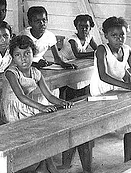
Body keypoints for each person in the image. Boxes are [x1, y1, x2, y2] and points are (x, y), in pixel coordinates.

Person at [90, 16, 131, 173]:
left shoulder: (127, 50)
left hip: (118, 90)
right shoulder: (101, 50)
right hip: (102, 93)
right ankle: (129, 162)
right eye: (114, 35)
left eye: (122, 35)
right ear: (106, 36)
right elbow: (103, 76)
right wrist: (128, 86)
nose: (119, 39)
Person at [0, 35, 72, 173]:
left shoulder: (36, 72)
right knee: (42, 129)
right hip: (14, 111)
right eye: (18, 55)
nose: (23, 58)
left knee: (49, 126)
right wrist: (42, 107)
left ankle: (44, 166)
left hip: (28, 108)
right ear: (13, 58)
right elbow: (20, 96)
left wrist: (63, 103)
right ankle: (48, 167)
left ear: (34, 54)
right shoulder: (11, 73)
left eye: (27, 53)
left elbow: (49, 95)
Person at [58, 14, 98, 172]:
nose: (84, 29)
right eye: (81, 26)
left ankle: (85, 143)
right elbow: (78, 54)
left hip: (75, 69)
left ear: (90, 27)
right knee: (68, 105)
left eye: (87, 26)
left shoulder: (89, 36)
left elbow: (96, 48)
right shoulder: (72, 39)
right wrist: (96, 53)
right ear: (76, 27)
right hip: (63, 67)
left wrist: (98, 51)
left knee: (83, 94)